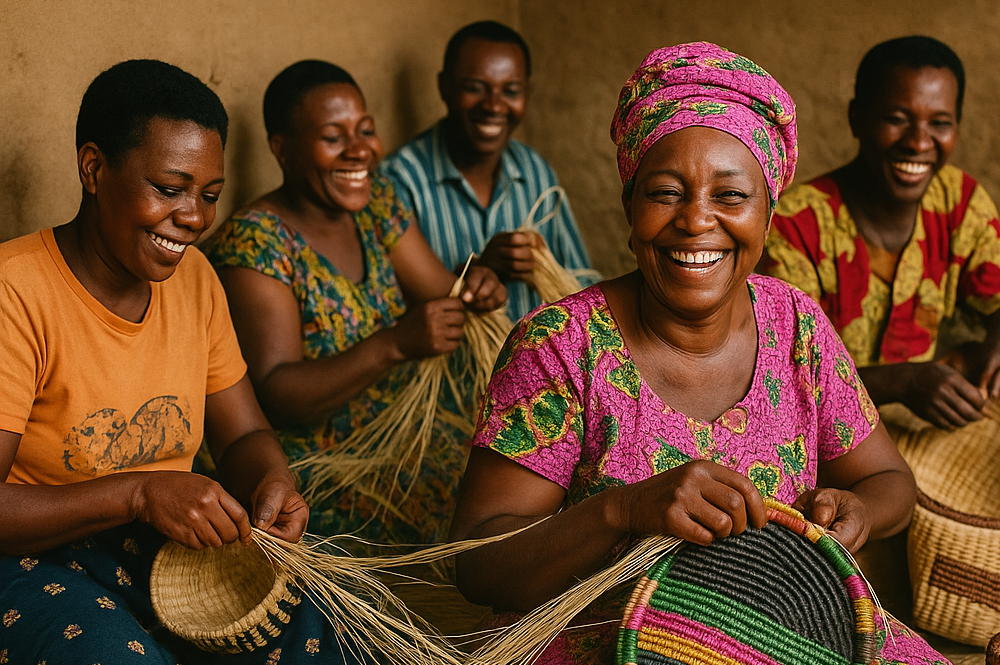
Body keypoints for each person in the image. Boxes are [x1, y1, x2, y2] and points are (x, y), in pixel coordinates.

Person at [448, 42, 946, 665]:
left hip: (788, 636)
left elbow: (888, 480)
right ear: (629, 211)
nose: (696, 221)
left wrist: (858, 511)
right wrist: (623, 511)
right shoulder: (560, 347)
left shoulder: (796, 325)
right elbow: (476, 564)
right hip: (605, 645)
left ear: (768, 218)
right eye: (665, 193)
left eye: (731, 197)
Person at [0, 60, 355, 663]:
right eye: (169, 189)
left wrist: (272, 481)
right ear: (94, 168)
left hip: (164, 549)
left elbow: (243, 433)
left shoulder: (194, 280)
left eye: (209, 195)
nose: (193, 217)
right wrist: (139, 494)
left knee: (325, 631)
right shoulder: (16, 292)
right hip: (30, 557)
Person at [203, 60, 506, 548]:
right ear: (281, 150)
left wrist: (477, 287)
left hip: (403, 440)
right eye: (333, 137)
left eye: (365, 130)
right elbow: (277, 392)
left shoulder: (376, 204)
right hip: (321, 468)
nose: (360, 149)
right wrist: (394, 345)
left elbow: (443, 288)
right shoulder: (256, 243)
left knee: (500, 486)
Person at [761, 36, 1000, 430]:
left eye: (940, 123)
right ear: (856, 119)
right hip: (821, 441)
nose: (919, 143)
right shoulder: (795, 228)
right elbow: (784, 383)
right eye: (896, 119)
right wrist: (904, 381)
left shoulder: (958, 201)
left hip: (922, 434)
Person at [378, 20, 597, 321]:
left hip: (536, 364)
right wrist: (482, 268)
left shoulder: (533, 170)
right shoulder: (399, 180)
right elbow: (392, 313)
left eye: (511, 91)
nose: (494, 105)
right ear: (444, 87)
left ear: (527, 94)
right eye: (474, 88)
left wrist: (545, 264)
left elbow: (582, 287)